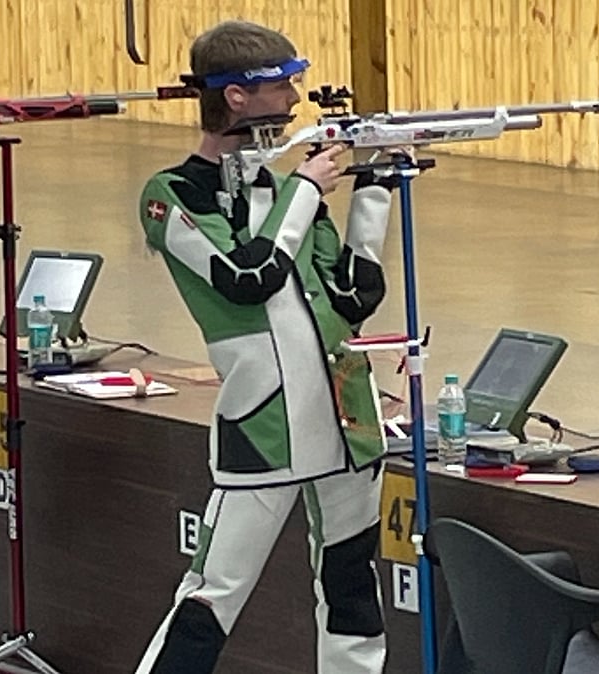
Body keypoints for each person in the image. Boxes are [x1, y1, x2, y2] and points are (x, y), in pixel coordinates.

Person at [134, 19, 402, 674]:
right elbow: (247, 277)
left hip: (346, 420)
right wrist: (306, 189)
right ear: (235, 97)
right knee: (210, 600)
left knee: (351, 590)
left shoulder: (282, 192)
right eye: (281, 85)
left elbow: (353, 297)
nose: (294, 98)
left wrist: (374, 192)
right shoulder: (171, 196)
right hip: (264, 426)